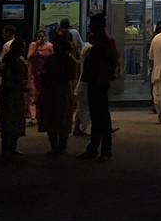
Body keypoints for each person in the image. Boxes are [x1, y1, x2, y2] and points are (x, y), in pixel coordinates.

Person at [77, 13, 119, 162]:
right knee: (98, 117)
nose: (90, 27)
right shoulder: (101, 41)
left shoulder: (105, 42)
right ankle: (95, 148)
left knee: (102, 117)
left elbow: (112, 60)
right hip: (95, 82)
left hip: (99, 82)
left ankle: (104, 149)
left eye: (92, 24)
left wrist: (108, 75)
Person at [37, 35, 77, 155]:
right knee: (60, 118)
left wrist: (49, 74)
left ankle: (56, 146)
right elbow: (71, 76)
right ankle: (59, 146)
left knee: (54, 117)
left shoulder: (54, 59)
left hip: (54, 90)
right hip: (60, 91)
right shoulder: (68, 60)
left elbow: (69, 75)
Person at [0, 37, 28, 159]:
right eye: (22, 47)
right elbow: (10, 80)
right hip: (11, 95)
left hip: (15, 93)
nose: (24, 49)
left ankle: (11, 148)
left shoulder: (16, 60)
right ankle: (6, 149)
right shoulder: (11, 61)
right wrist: (19, 86)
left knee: (14, 121)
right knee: (10, 121)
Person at [26, 29, 54, 126]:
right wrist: (36, 47)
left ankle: (42, 115)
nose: (41, 38)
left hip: (44, 74)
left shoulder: (49, 46)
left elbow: (52, 58)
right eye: (39, 36)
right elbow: (29, 57)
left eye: (43, 36)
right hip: (33, 73)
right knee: (32, 94)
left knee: (43, 94)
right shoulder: (33, 45)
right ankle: (33, 117)